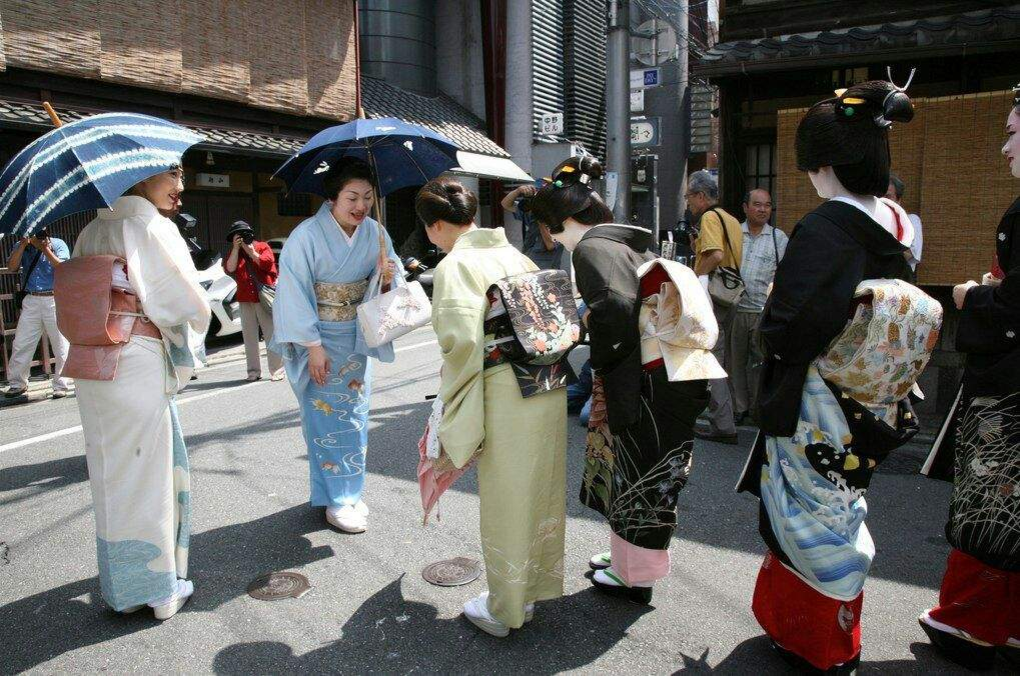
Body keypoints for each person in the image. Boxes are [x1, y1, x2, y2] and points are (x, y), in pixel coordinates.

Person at [737, 79, 938, 674]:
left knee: (807, 513)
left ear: (825, 164)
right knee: (844, 504)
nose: (810, 180)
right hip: (872, 399)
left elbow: (787, 328)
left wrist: (778, 303)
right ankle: (834, 631)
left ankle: (814, 640)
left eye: (812, 168)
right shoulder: (899, 224)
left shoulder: (824, 229)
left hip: (818, 398)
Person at [531, 156, 715, 604]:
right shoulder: (626, 245)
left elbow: (614, 309)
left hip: (647, 379)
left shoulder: (593, 249)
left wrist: (605, 364)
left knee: (640, 474)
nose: (553, 239)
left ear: (568, 220)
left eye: (552, 229)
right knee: (642, 470)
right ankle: (626, 560)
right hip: (673, 373)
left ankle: (635, 577)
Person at [421, 177, 567, 637]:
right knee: (540, 488)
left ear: (436, 226)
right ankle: (530, 592)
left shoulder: (456, 265)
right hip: (548, 379)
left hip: (505, 387)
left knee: (507, 496)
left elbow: (461, 342)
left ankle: (505, 610)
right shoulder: (514, 255)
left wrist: (453, 401)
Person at [70, 166, 210, 619]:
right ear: (138, 176)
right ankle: (159, 590)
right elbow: (184, 303)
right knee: (148, 475)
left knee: (110, 472)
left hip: (92, 364)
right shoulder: (148, 225)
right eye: (172, 174)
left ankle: (123, 589)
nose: (180, 187)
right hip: (134, 359)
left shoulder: (90, 231)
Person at [918, 85, 1020, 670]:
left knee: (990, 501)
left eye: (1011, 131)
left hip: (1010, 390)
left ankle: (973, 621)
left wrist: (973, 296)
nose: (1005, 145)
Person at [271, 159, 399, 534]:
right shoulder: (306, 235)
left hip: (356, 339)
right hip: (321, 340)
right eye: (352, 198)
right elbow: (292, 291)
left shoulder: (375, 232)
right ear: (332, 199)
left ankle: (348, 491)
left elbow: (388, 281)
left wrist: (387, 276)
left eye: (368, 198)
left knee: (355, 418)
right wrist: (312, 346)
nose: (361, 206)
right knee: (325, 419)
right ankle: (336, 498)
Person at [688, 169, 742, 445]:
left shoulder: (709, 217)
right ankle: (723, 416)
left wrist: (697, 274)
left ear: (700, 195)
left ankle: (723, 424)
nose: (689, 203)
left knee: (712, 359)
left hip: (714, 297)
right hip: (730, 295)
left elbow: (716, 254)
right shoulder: (731, 219)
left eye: (689, 197)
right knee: (722, 357)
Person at [729, 189, 787, 425]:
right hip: (735, 308)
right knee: (735, 362)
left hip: (763, 311)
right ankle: (739, 408)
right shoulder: (734, 234)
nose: (763, 209)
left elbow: (785, 275)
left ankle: (756, 408)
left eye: (767, 205)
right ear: (745, 207)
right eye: (757, 204)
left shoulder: (778, 238)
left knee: (760, 363)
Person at [4, 230, 71, 399]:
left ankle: (61, 384)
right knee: (22, 343)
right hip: (31, 298)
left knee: (61, 344)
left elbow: (62, 267)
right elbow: (11, 267)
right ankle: (17, 384)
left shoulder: (57, 244)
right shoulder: (22, 246)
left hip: (54, 298)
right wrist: (23, 244)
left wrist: (45, 249)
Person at [223, 220, 284, 382]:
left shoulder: (262, 246)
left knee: (271, 335)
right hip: (245, 299)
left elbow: (267, 264)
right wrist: (236, 248)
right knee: (249, 337)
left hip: (263, 298)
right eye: (238, 235)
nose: (242, 238)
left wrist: (251, 252)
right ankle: (253, 371)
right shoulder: (234, 252)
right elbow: (230, 268)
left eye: (244, 234)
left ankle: (277, 370)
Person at [501, 181, 563, 270]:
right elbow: (506, 204)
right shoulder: (531, 213)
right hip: (527, 264)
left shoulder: (560, 217)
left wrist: (541, 219)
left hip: (546, 271)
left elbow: (551, 245)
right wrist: (518, 191)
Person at [885, 173, 923, 278]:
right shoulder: (869, 220)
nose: (882, 201)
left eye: (887, 197)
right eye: (878, 196)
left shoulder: (911, 220)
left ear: (898, 200)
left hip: (899, 280)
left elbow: (910, 253)